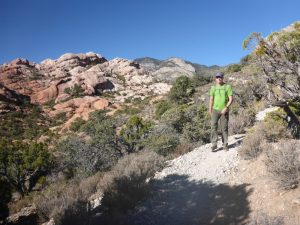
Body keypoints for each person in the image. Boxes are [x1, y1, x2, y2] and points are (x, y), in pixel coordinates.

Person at [209, 72, 233, 152]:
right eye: (217, 77)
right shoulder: (213, 88)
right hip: (215, 110)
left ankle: (225, 144)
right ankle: (214, 144)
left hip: (224, 110)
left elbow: (231, 99)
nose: (219, 78)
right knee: (213, 126)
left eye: (220, 77)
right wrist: (210, 109)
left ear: (223, 78)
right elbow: (211, 99)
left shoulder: (227, 87)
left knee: (224, 128)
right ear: (215, 78)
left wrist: (226, 107)